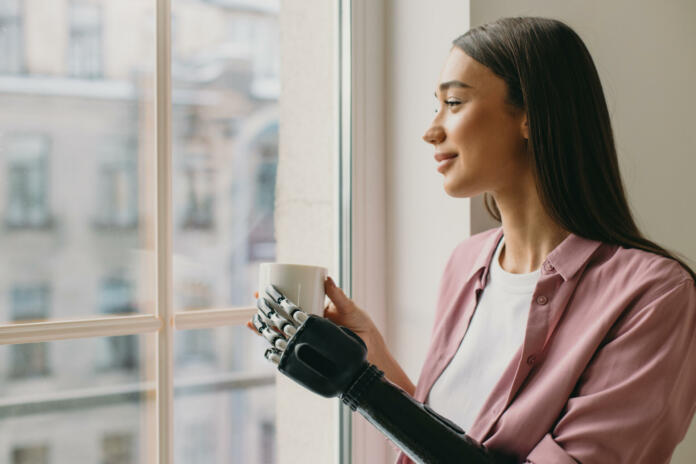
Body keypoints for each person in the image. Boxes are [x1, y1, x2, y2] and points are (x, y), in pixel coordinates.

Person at [249, 16, 696, 463]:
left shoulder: (655, 294)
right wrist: (370, 359)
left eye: (455, 102)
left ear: (530, 115)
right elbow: (446, 445)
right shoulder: (468, 262)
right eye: (436, 105)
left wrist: (358, 386)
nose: (431, 130)